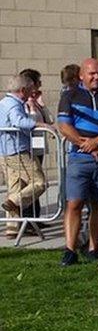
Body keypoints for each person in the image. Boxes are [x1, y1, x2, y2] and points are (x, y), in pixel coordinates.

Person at [57, 58, 98, 266]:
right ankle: (70, 249)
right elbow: (64, 126)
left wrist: (97, 142)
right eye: (92, 73)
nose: (96, 77)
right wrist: (88, 146)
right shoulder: (69, 96)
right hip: (80, 158)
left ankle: (94, 247)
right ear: (81, 76)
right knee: (74, 203)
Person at [0, 73, 48, 238]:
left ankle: (12, 228)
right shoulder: (14, 105)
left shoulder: (4, 103)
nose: (31, 92)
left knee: (16, 186)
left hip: (6, 153)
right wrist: (40, 124)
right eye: (29, 90)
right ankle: (15, 202)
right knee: (40, 183)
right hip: (19, 151)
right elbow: (19, 122)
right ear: (22, 90)